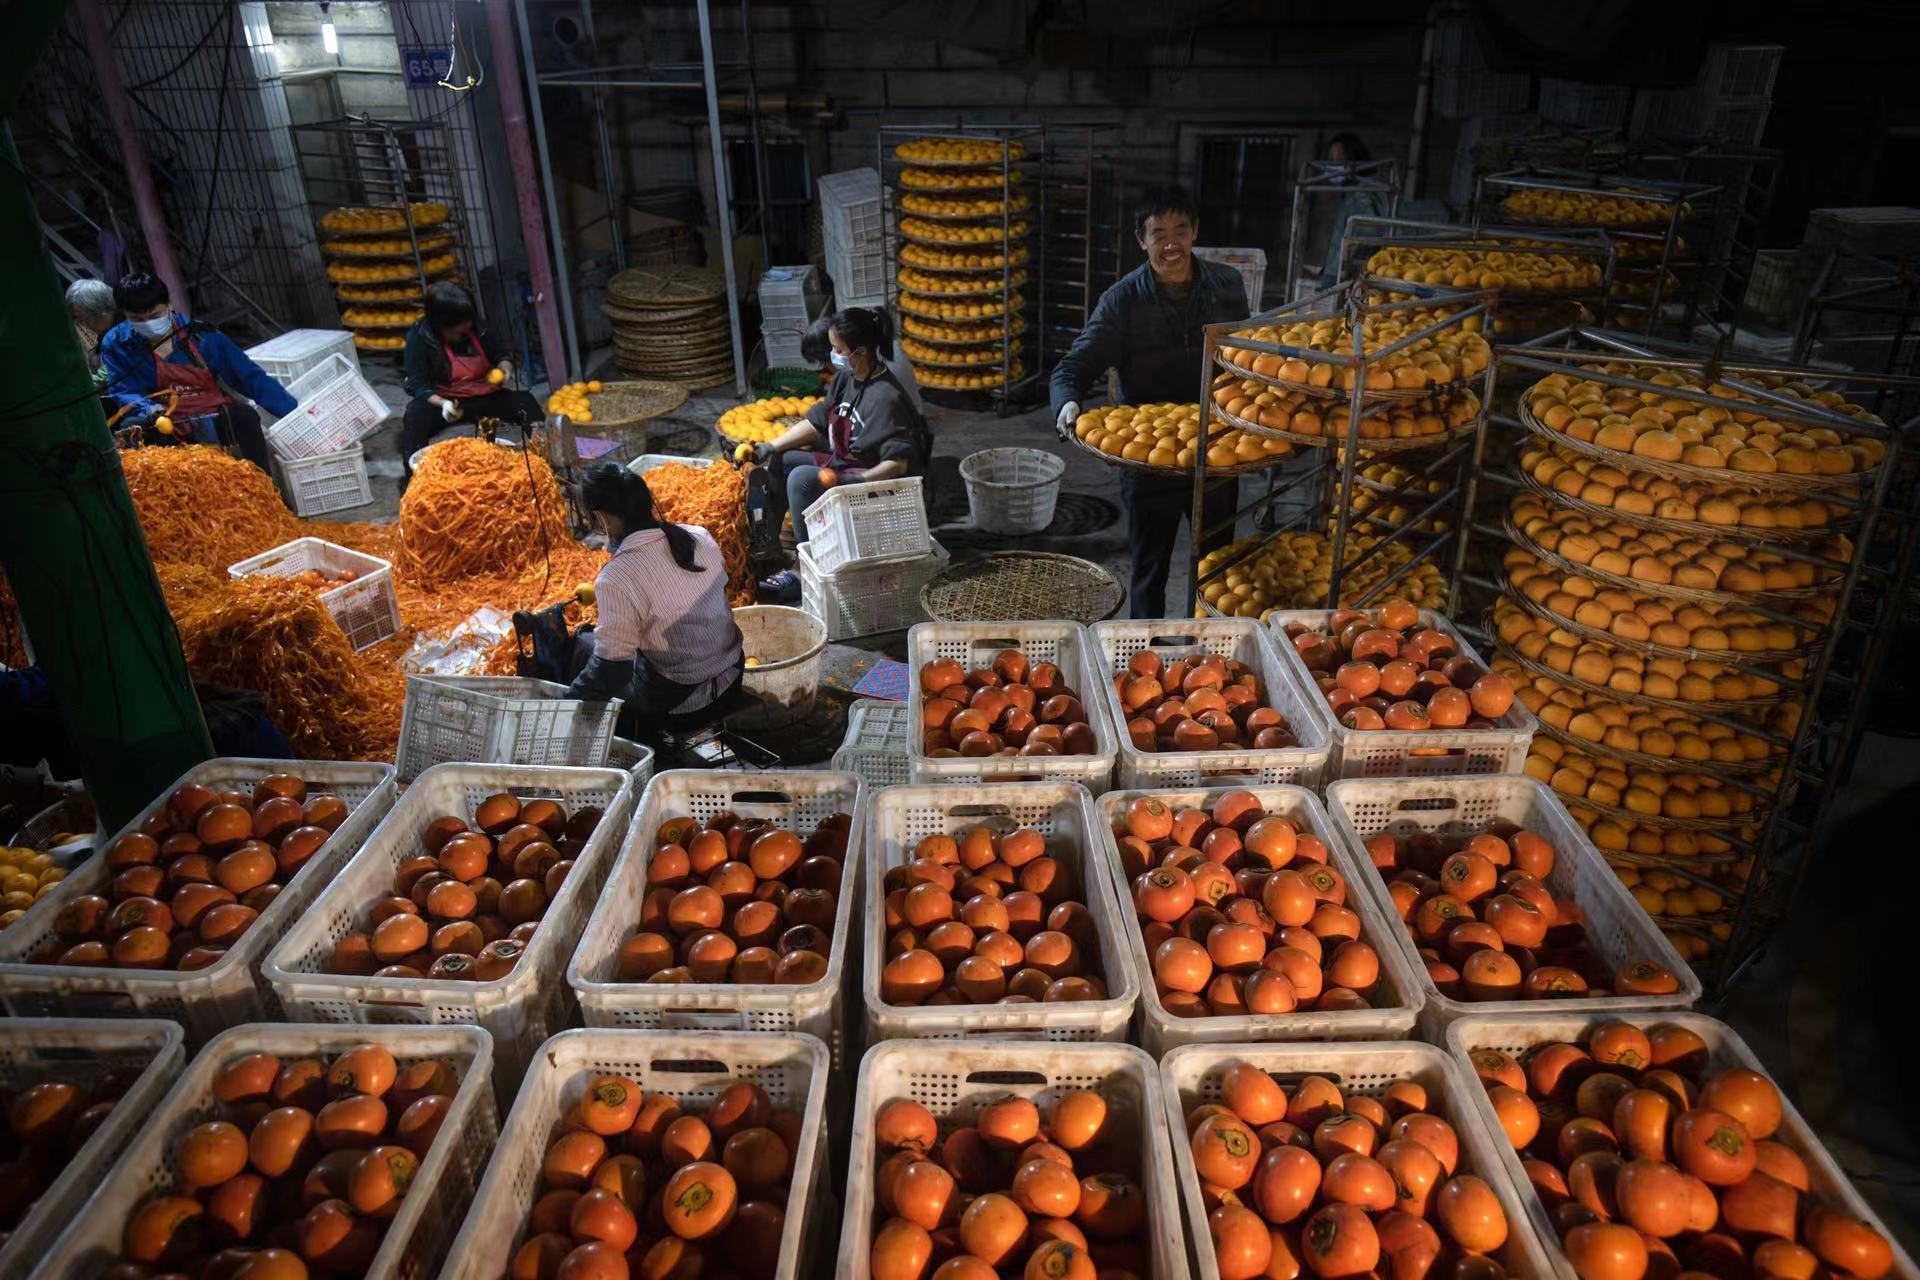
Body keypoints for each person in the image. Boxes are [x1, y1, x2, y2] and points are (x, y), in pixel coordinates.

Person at [1050, 183, 1253, 618]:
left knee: (1218, 569)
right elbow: (1075, 364)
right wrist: (1067, 403)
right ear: (1142, 241)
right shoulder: (1122, 300)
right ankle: (1147, 662)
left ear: (1195, 231)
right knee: (1149, 570)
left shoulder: (1227, 285)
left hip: (1215, 451)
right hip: (1148, 456)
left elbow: (1247, 357)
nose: (1171, 243)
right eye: (1158, 234)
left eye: (1180, 230)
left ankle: (1210, 660)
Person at [754, 306, 932, 601]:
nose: (833, 355)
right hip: (842, 463)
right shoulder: (845, 380)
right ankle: (768, 547)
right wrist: (771, 446)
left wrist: (860, 481)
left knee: (801, 479)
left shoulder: (885, 398)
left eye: (838, 349)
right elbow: (817, 421)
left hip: (868, 481)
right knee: (782, 461)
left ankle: (807, 569)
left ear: (859, 352)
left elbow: (898, 463)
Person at [565, 463, 746, 739]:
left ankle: (636, 737)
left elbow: (612, 668)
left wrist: (565, 705)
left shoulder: (616, 578)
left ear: (602, 519)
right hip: (733, 676)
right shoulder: (697, 535)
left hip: (685, 704)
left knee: (582, 648)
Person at [100, 272, 293, 470]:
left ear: (169, 305)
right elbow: (123, 390)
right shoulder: (116, 344)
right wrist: (149, 409)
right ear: (125, 316)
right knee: (133, 428)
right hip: (162, 420)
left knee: (245, 416)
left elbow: (249, 377)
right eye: (137, 319)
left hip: (211, 411)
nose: (148, 323)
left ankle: (263, 487)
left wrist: (292, 415)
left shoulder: (203, 335)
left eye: (155, 316)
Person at [400, 281, 541, 484]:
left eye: (469, 322)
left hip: (485, 393)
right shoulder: (420, 338)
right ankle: (415, 481)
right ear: (441, 325)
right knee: (415, 415)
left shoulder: (477, 327)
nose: (467, 328)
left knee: (525, 404)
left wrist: (504, 369)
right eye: (460, 327)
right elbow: (417, 384)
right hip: (446, 398)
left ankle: (544, 461)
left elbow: (502, 354)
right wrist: (444, 404)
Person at [798, 310, 926, 415]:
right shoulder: (874, 348)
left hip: (906, 422)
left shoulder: (879, 379)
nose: (833, 360)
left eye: (837, 349)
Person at [1318, 133, 1390, 286]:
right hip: (1337, 276)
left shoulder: (1361, 197)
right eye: (1331, 160)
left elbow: (1368, 241)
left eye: (1339, 160)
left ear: (1354, 162)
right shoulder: (1351, 195)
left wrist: (1347, 274)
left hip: (1344, 280)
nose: (1333, 166)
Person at [66, 278, 117, 386]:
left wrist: (88, 386)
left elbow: (114, 367)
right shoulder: (103, 334)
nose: (85, 324)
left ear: (102, 312)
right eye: (79, 319)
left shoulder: (128, 328)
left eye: (86, 318)